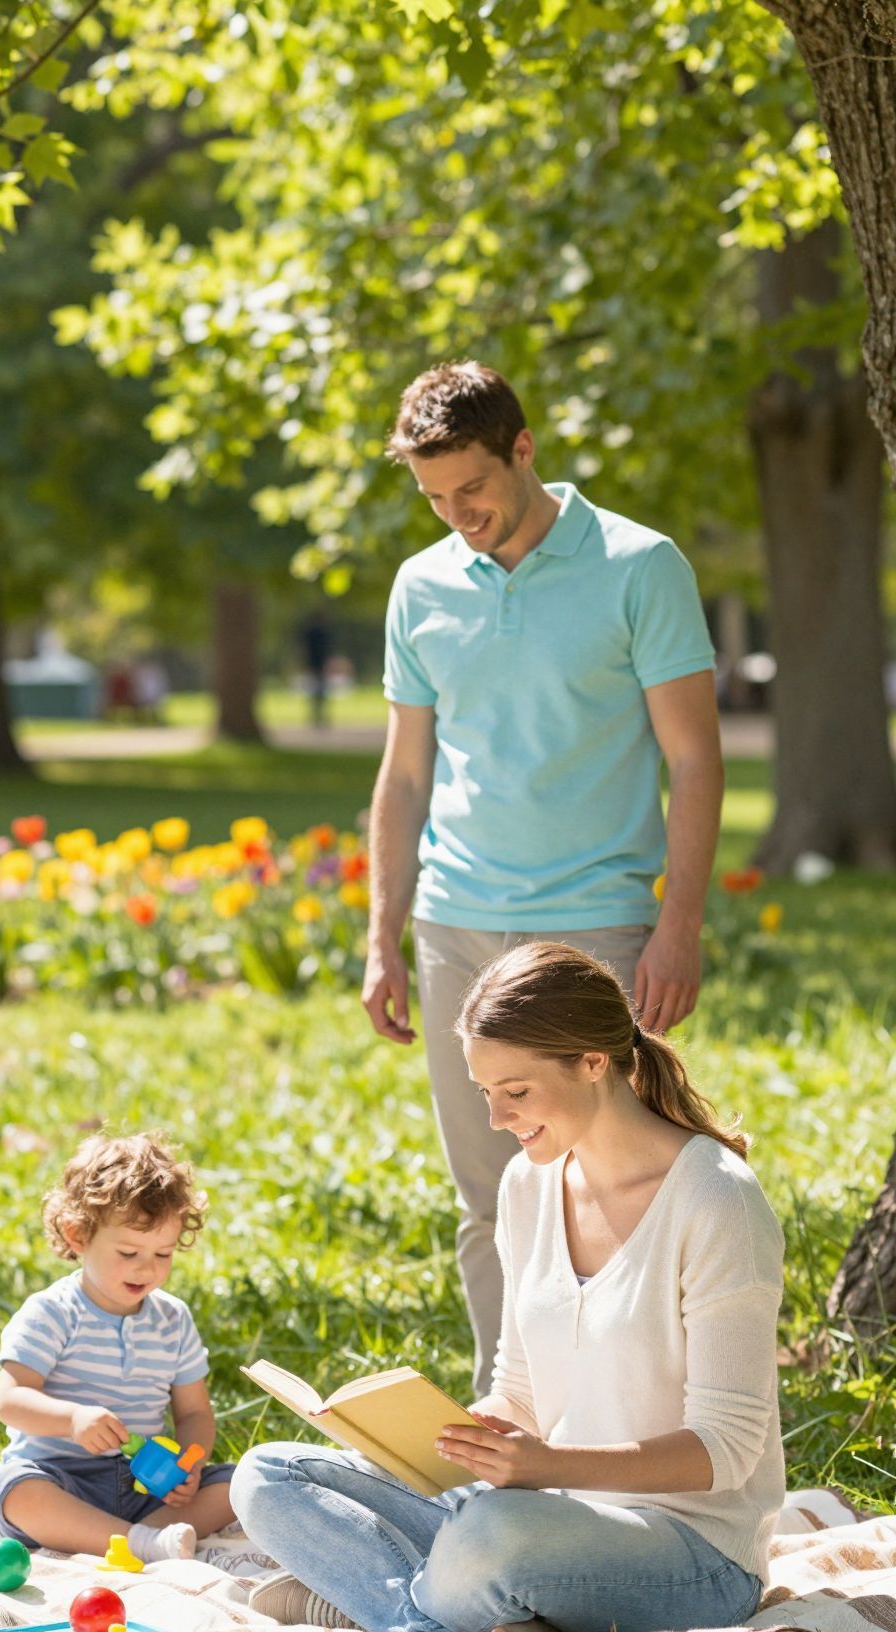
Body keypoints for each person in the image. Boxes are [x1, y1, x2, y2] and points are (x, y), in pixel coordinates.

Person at [234, 943, 783, 1632]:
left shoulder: (716, 1201)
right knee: (271, 1475)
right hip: (544, 1510)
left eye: (516, 1092)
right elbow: (519, 1389)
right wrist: (456, 1433)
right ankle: (474, 1617)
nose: (496, 1119)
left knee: (490, 1536)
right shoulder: (529, 1186)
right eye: (484, 1092)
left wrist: (547, 1466)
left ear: (592, 1060)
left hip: (692, 1557)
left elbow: (727, 1450)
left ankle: (388, 1610)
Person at [362, 361, 723, 1394]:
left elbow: (695, 757)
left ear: (523, 448)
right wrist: (382, 933)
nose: (456, 515)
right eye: (433, 498)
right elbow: (405, 772)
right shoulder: (421, 586)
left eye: (470, 488)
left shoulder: (638, 566)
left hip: (598, 926)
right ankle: (508, 1409)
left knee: (619, 1182)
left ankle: (636, 1405)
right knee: (491, 1192)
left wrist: (678, 925)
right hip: (457, 924)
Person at [0, 1133, 234, 1561]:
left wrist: (190, 1463)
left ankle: (142, 1539)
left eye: (163, 1254)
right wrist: (72, 1418)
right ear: (78, 1235)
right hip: (61, 1478)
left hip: (144, 1488)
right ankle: (139, 1543)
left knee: (236, 1483)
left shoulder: (172, 1320)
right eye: (128, 1251)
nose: (147, 1268)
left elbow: (193, 1413)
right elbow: (10, 1401)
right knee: (17, 1491)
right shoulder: (52, 1312)